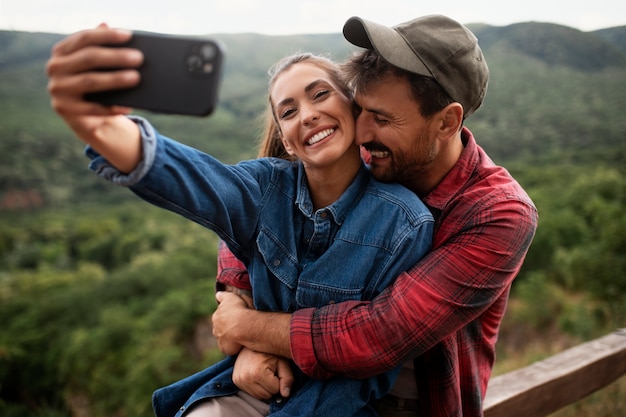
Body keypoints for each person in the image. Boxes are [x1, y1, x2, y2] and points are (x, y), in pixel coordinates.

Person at [46, 29, 435, 417]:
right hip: (255, 390)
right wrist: (104, 129)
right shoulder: (265, 188)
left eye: (320, 94)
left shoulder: (403, 222)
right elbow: (197, 180)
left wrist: (252, 336)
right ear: (285, 139)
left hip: (340, 405)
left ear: (353, 108)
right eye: (289, 111)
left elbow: (369, 368)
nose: (308, 114)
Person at [211, 14, 539, 417]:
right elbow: (264, 202)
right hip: (305, 386)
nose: (362, 132)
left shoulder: (499, 214)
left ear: (447, 122)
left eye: (382, 119)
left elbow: (377, 335)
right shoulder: (371, 157)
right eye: (360, 109)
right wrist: (238, 296)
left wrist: (245, 328)